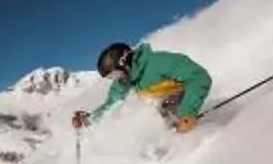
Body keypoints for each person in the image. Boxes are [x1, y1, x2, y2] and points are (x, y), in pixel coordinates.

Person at [80, 40, 213, 133]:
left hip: (186, 114)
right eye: (111, 77)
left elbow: (199, 77)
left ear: (124, 63)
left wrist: (188, 112)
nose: (116, 79)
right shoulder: (124, 81)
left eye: (115, 74)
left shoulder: (159, 62)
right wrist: (89, 120)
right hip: (167, 122)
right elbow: (111, 105)